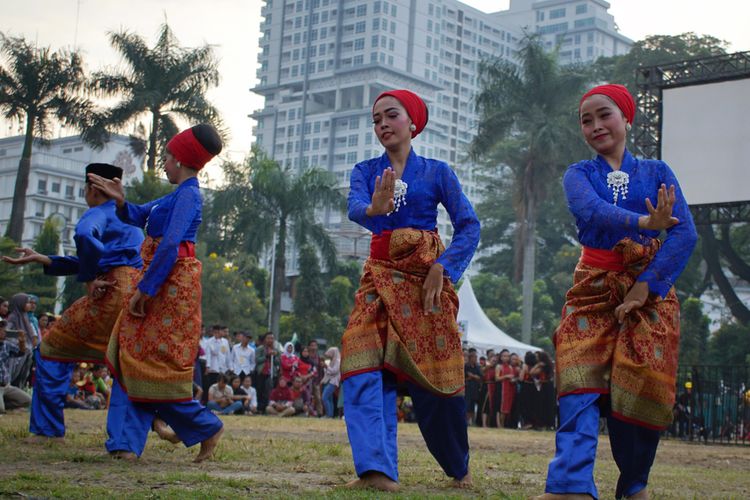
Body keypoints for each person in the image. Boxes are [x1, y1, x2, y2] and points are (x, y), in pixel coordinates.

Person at [535, 84, 697, 500]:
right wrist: (644, 224)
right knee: (578, 380)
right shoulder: (579, 174)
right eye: (585, 120)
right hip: (593, 287)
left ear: (627, 119)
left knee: (639, 386)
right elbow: (592, 211)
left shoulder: (658, 172)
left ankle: (634, 486)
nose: (594, 126)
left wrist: (647, 286)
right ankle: (570, 485)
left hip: (650, 290)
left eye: (603, 115)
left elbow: (685, 234)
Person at [341, 89, 480, 491]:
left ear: (412, 123)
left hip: (425, 285)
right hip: (378, 279)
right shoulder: (366, 171)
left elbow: (469, 225)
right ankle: (376, 471)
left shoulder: (437, 172)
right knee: (362, 365)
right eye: (376, 119)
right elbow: (354, 206)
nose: (382, 124)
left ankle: (458, 465)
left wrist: (444, 267)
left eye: (391, 115)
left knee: (435, 379)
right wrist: (373, 210)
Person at [88, 124, 225, 462]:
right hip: (156, 282)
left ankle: (200, 426)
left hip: (166, 286)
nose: (162, 163)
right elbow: (140, 215)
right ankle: (125, 444)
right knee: (132, 358)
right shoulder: (176, 195)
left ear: (179, 160)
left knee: (146, 363)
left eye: (166, 157)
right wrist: (121, 201)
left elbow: (169, 247)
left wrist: (145, 290)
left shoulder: (189, 196)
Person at [1, 163, 150, 447]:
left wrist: (90, 278)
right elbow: (107, 256)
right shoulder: (130, 216)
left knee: (50, 350)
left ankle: (47, 429)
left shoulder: (97, 213)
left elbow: (85, 239)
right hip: (135, 296)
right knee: (123, 365)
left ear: (92, 189)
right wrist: (44, 259)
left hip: (109, 293)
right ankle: (126, 445)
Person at [3, 294, 36, 387]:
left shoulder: (24, 316)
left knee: (21, 376)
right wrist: (18, 338)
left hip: (25, 351)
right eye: (27, 302)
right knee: (13, 374)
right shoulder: (13, 317)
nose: (29, 305)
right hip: (16, 353)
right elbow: (6, 333)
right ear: (20, 303)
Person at [0, 319, 31, 413]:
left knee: (27, 400)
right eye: (1, 329)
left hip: (6, 385)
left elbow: (21, 352)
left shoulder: (6, 345)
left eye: (4, 329)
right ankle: (2, 406)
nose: (4, 331)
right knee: (0, 409)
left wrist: (22, 342)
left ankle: (4, 404)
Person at [255, 332, 280, 413]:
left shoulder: (276, 350)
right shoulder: (260, 349)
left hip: (272, 373)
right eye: (268, 338)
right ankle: (260, 409)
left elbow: (278, 362)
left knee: (269, 391)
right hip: (262, 373)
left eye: (272, 338)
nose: (270, 340)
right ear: (265, 339)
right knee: (260, 391)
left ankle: (268, 408)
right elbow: (257, 360)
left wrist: (275, 356)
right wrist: (266, 355)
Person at [495, 349, 517, 429]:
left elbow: (512, 378)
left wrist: (513, 380)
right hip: (501, 388)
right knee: (500, 407)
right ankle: (499, 425)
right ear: (501, 357)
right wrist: (506, 376)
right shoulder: (499, 366)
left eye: (508, 356)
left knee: (506, 408)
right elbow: (496, 378)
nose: (506, 358)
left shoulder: (510, 367)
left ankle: (503, 424)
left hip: (508, 389)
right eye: (504, 356)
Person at [464, 348, 482, 425]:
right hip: (467, 388)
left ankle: (470, 420)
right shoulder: (466, 366)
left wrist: (473, 376)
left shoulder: (477, 367)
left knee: (472, 405)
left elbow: (480, 377)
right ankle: (465, 420)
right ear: (470, 358)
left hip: (475, 388)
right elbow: (464, 377)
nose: (476, 359)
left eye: (476, 357)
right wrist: (471, 377)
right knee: (467, 405)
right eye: (474, 357)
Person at [321, 347, 340, 418]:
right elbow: (328, 372)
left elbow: (334, 371)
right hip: (329, 381)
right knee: (329, 399)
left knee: (324, 397)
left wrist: (326, 366)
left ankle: (328, 415)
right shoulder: (332, 361)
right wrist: (325, 367)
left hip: (333, 382)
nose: (329, 356)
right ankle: (330, 415)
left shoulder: (338, 361)